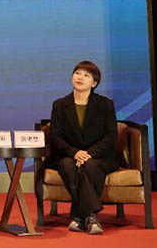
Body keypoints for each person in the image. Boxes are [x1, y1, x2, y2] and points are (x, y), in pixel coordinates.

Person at [48, 60, 119, 235]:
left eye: (86, 75)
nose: (80, 77)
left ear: (94, 83)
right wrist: (75, 153)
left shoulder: (105, 104)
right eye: (77, 73)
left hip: (99, 156)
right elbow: (55, 136)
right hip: (68, 155)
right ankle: (91, 216)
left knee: (90, 165)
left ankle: (78, 217)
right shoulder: (59, 105)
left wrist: (88, 154)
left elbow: (110, 136)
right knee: (67, 165)